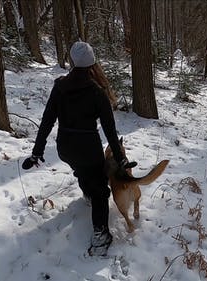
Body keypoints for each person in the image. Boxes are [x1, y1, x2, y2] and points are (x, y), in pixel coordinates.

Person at [22, 41, 136, 256]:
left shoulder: (60, 86)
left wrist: (37, 152)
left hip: (65, 147)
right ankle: (100, 234)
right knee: (101, 190)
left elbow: (47, 121)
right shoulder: (97, 92)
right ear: (93, 62)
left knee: (81, 170)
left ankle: (88, 194)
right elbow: (110, 131)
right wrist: (120, 158)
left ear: (73, 61)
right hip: (88, 147)